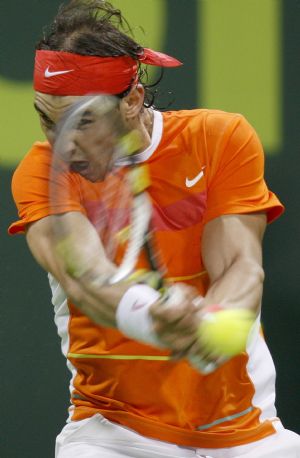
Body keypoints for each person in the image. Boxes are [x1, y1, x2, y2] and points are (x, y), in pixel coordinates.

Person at [9, 1, 300, 457]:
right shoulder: (43, 169)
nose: (62, 142)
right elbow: (84, 279)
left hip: (247, 433)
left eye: (82, 119)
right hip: (111, 433)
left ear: (132, 99)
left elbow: (242, 264)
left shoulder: (219, 138)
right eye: (48, 118)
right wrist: (150, 316)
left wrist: (211, 319)